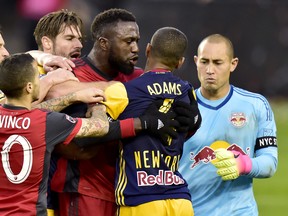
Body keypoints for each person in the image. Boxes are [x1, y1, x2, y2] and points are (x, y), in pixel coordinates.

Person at [41, 8, 192, 216]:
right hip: (85, 190)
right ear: (104, 43)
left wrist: (192, 121)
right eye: (128, 41)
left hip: (131, 194)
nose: (135, 49)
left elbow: (166, 127)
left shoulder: (140, 79)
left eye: (137, 41)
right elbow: (75, 146)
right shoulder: (70, 74)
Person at [102, 26, 201, 216]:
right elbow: (189, 128)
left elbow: (94, 132)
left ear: (148, 49)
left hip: (140, 198)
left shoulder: (123, 92)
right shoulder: (188, 93)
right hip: (180, 200)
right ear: (180, 62)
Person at [179, 34, 278, 216]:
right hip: (191, 211)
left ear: (233, 64)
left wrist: (243, 165)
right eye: (204, 62)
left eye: (218, 63)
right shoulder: (180, 106)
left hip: (240, 212)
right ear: (195, 61)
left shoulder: (256, 105)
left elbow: (270, 162)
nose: (210, 69)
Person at [0, 53, 109, 215]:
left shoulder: (38, 119)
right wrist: (97, 105)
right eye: (38, 77)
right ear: (29, 87)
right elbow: (100, 127)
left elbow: (29, 114)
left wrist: (73, 97)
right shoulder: (45, 122)